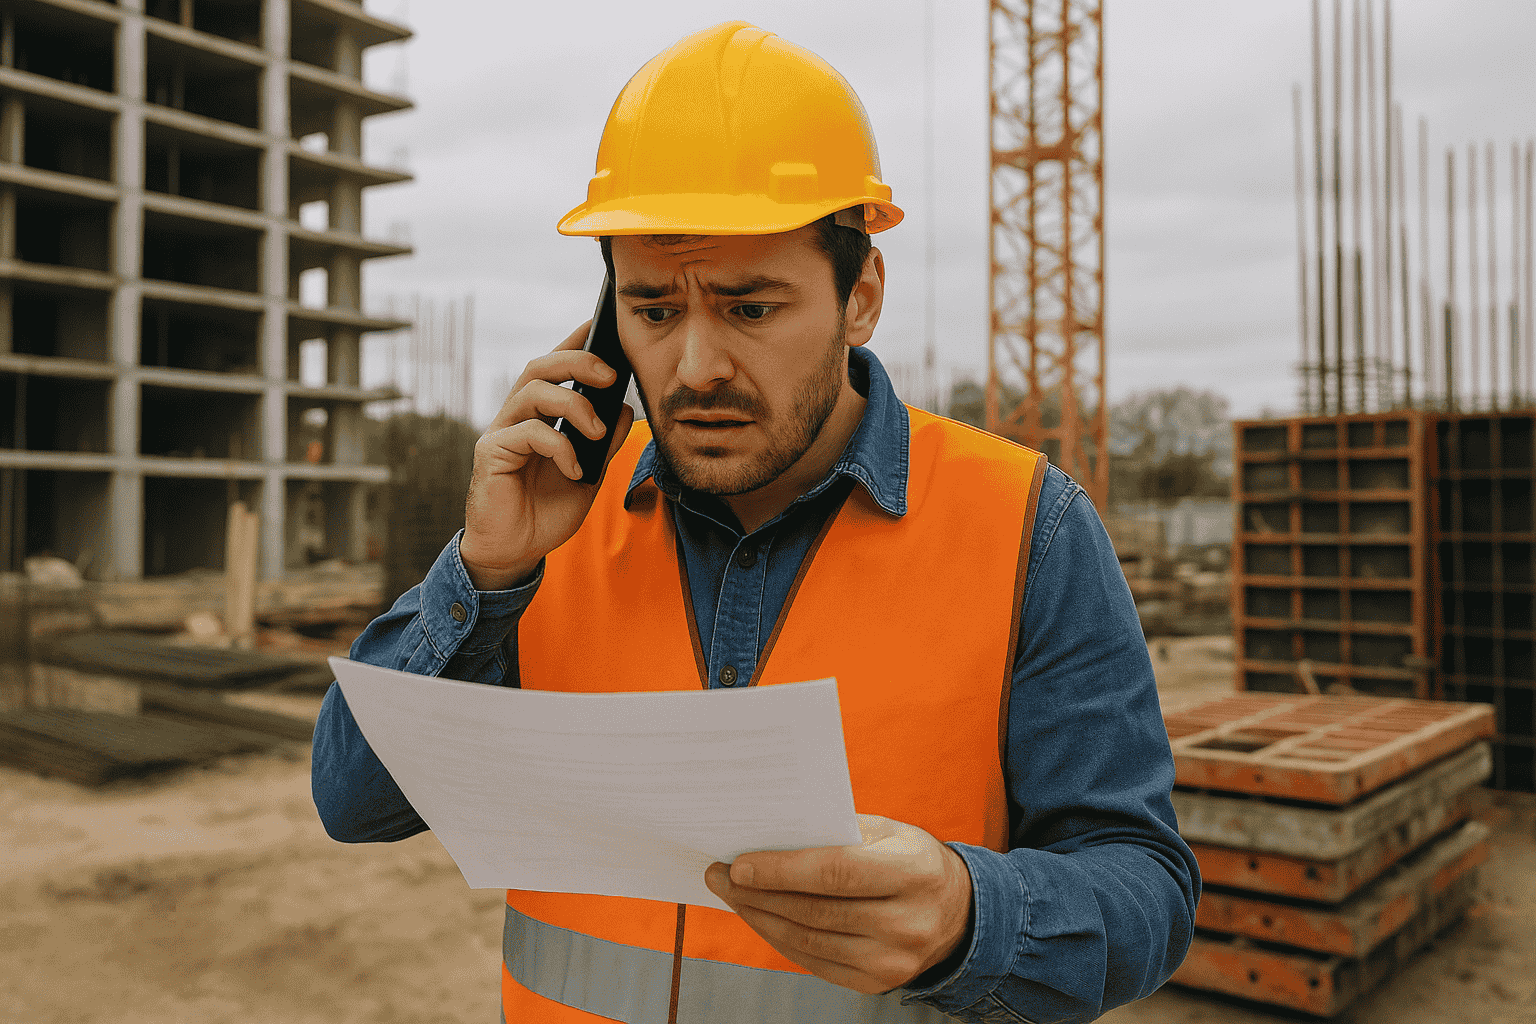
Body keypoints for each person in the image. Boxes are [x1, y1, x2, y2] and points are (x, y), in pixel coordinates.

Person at [312, 21, 1198, 1024]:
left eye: (751, 309)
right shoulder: (550, 529)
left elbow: (1145, 887)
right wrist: (483, 569)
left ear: (859, 295)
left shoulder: (1024, 524)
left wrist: (971, 916)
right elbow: (352, 800)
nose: (694, 367)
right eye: (652, 311)